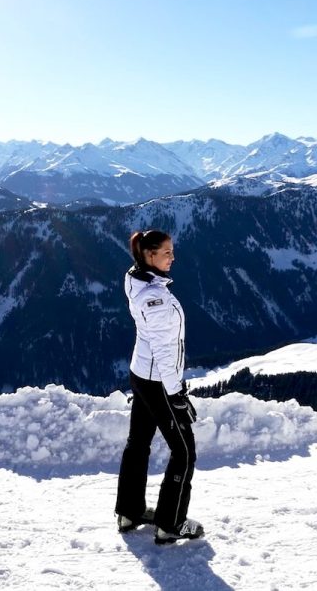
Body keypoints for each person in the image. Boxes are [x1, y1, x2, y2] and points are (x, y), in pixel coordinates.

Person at [114, 229, 204, 545]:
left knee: (138, 441)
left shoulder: (136, 279)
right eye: (166, 252)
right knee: (184, 450)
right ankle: (170, 523)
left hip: (140, 372)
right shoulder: (156, 298)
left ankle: (129, 511)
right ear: (149, 255)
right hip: (157, 381)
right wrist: (176, 393)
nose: (173, 257)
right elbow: (165, 349)